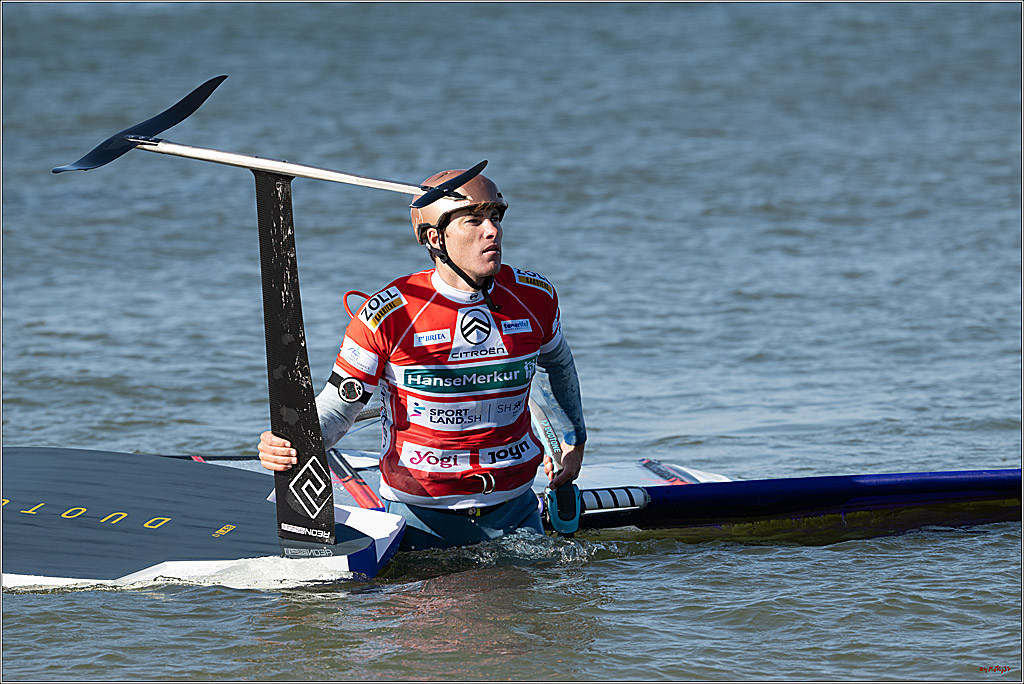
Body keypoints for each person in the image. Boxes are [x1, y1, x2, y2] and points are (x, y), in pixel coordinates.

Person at [258, 169, 586, 551]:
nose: (492, 231)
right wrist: (293, 442)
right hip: (418, 519)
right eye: (474, 221)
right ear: (435, 238)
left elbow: (557, 364)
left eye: (495, 218)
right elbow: (339, 409)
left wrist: (572, 439)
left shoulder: (535, 296)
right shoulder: (388, 312)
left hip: (516, 512)